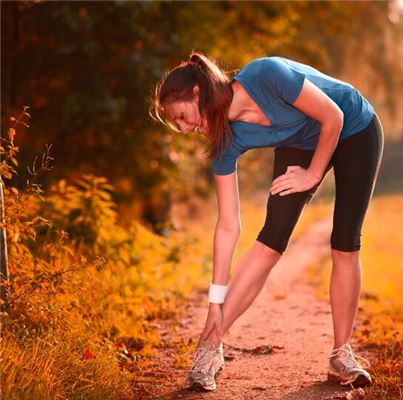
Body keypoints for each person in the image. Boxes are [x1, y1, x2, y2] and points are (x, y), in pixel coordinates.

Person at [149, 52, 384, 392]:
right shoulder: (223, 142)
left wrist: (312, 175)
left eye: (182, 117)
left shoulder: (266, 75)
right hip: (300, 140)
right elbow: (228, 225)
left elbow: (332, 116)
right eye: (178, 125)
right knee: (271, 239)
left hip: (352, 127)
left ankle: (341, 354)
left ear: (198, 93)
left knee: (345, 242)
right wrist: (215, 301)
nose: (185, 129)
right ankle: (210, 346)